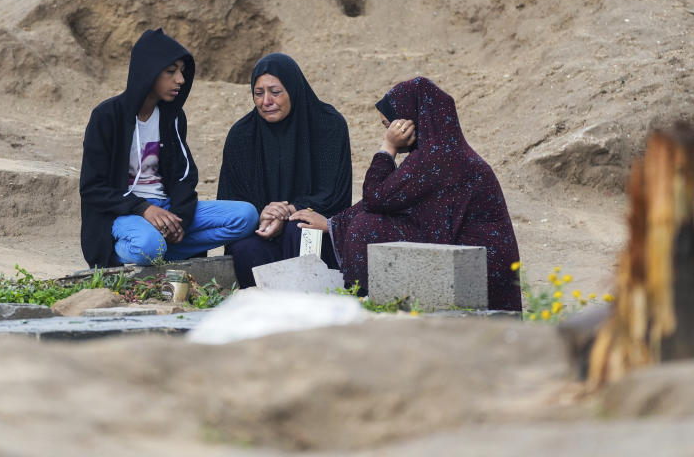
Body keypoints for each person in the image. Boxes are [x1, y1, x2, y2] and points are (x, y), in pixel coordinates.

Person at [291, 77, 522, 311]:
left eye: (388, 125)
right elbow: (388, 198)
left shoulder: (436, 157)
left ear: (409, 122)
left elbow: (375, 197)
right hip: (475, 264)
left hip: (481, 274)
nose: (387, 131)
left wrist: (387, 148)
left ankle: (365, 306)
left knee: (366, 228)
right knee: (371, 222)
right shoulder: (440, 150)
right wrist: (332, 224)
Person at [80, 28, 258, 268]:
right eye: (171, 72)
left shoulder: (172, 117)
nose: (181, 80)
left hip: (166, 209)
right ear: (149, 72)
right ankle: (126, 253)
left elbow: (185, 176)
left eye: (182, 72)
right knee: (148, 245)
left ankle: (162, 249)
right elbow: (92, 187)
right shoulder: (107, 116)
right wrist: (142, 208)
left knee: (246, 217)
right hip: (122, 213)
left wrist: (180, 220)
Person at [217, 53, 352, 287]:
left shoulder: (328, 125)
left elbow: (334, 193)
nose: (266, 101)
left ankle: (311, 306)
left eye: (275, 92)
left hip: (312, 223)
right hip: (261, 227)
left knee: (299, 230)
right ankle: (267, 314)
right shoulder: (242, 135)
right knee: (246, 249)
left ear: (293, 89)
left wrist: (289, 210)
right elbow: (230, 199)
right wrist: (264, 214)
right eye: (259, 94)